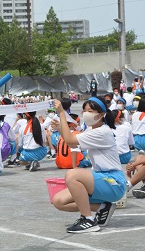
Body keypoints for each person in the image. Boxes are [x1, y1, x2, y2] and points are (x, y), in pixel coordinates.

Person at [52, 97, 125, 233]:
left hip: (113, 181)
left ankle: (88, 219)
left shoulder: (102, 132)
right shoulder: (92, 130)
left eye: (90, 111)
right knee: (59, 201)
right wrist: (61, 129)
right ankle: (102, 207)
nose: (86, 114)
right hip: (102, 179)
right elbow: (71, 142)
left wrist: (62, 113)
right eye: (85, 110)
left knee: (72, 175)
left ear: (102, 114)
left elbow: (71, 141)